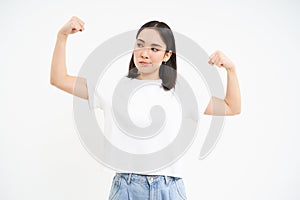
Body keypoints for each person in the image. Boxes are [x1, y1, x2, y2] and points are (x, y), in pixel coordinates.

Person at [50, 16, 241, 200]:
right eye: (139, 45)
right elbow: (59, 79)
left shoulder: (184, 93)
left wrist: (231, 69)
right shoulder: (111, 87)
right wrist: (62, 36)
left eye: (154, 48)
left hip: (170, 189)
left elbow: (231, 107)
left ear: (167, 55)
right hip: (127, 188)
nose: (144, 53)